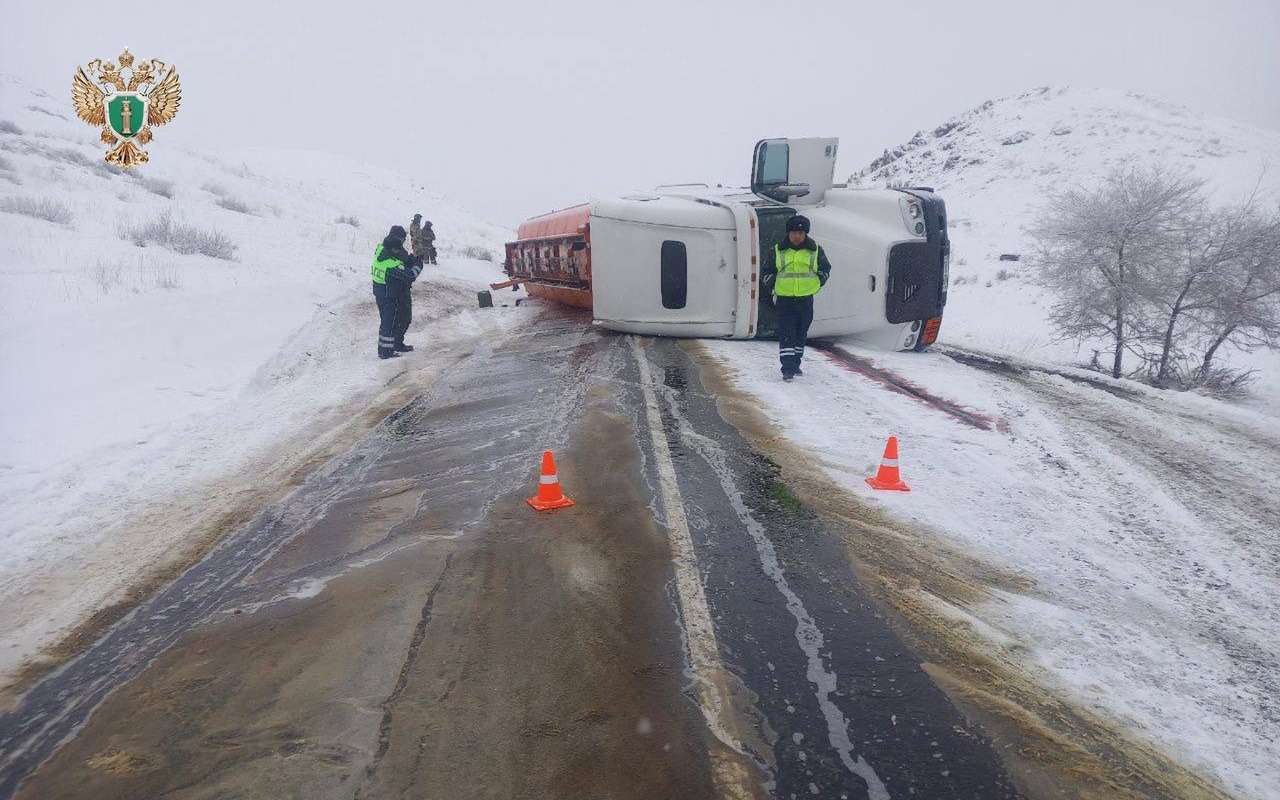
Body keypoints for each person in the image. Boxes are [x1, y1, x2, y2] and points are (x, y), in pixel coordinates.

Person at [763, 214, 831, 381]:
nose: (797, 236)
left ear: (806, 234)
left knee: (801, 333)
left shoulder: (815, 250)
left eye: (800, 233)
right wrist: (772, 283)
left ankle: (796, 363)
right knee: (787, 333)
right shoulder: (777, 250)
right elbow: (766, 271)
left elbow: (825, 269)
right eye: (794, 232)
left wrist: (818, 282)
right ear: (788, 233)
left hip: (805, 299)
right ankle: (787, 368)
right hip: (784, 300)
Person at [370, 225, 423, 359]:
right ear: (397, 239)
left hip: (395, 291)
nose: (403, 243)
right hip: (387, 294)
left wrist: (411, 259)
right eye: (402, 240)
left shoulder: (386, 246)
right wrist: (418, 265)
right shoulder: (390, 263)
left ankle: (397, 344)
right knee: (389, 322)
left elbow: (402, 257)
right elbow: (410, 275)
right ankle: (385, 351)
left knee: (403, 318)